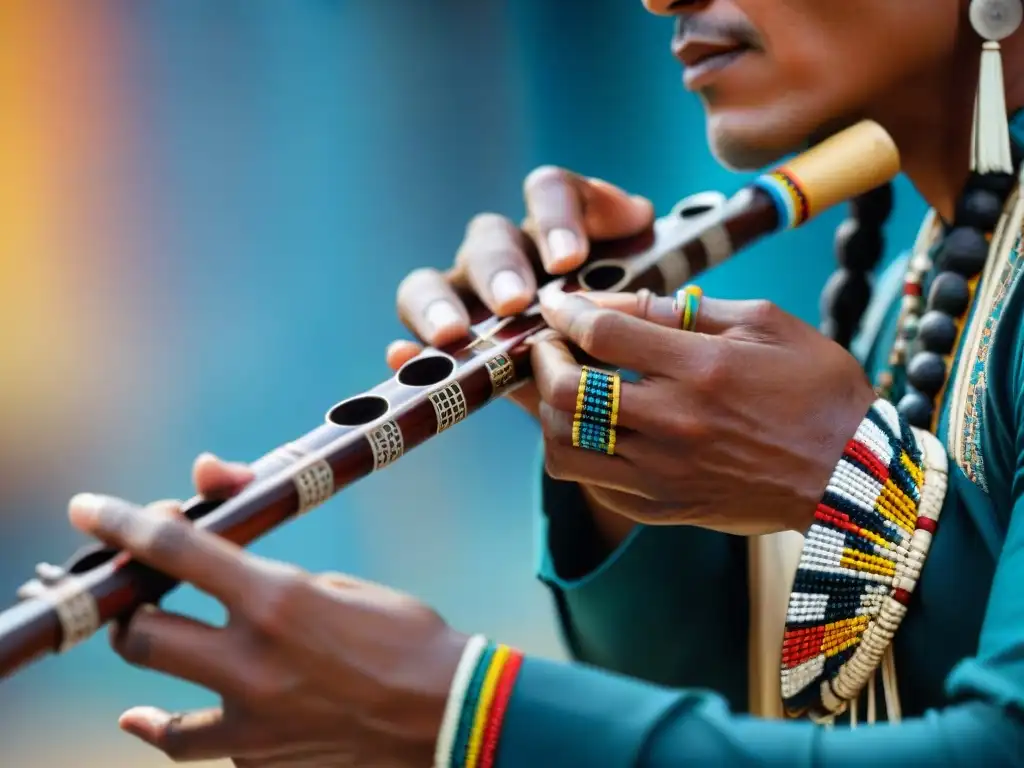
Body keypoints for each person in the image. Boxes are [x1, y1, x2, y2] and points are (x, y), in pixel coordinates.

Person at [58, 0, 1024, 764]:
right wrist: (612, 428)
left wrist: (450, 713)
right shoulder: (921, 288)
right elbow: (741, 716)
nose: (660, 1)